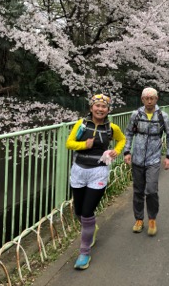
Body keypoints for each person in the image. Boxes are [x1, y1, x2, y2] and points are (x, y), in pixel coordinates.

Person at [66, 94, 126, 270]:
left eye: (104, 107)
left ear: (108, 110)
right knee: (78, 210)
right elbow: (68, 143)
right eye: (97, 106)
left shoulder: (111, 128)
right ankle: (92, 229)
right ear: (91, 108)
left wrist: (116, 150)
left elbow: (122, 139)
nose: (100, 109)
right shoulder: (81, 124)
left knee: (87, 211)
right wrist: (84, 145)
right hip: (78, 170)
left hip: (98, 172)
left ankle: (84, 252)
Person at [123, 87, 169, 236]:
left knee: (151, 190)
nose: (149, 101)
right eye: (146, 98)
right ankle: (139, 219)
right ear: (142, 99)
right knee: (138, 191)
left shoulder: (162, 116)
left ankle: (152, 218)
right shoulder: (136, 115)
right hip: (137, 158)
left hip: (154, 159)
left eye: (152, 98)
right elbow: (128, 133)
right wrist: (127, 151)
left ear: (156, 99)